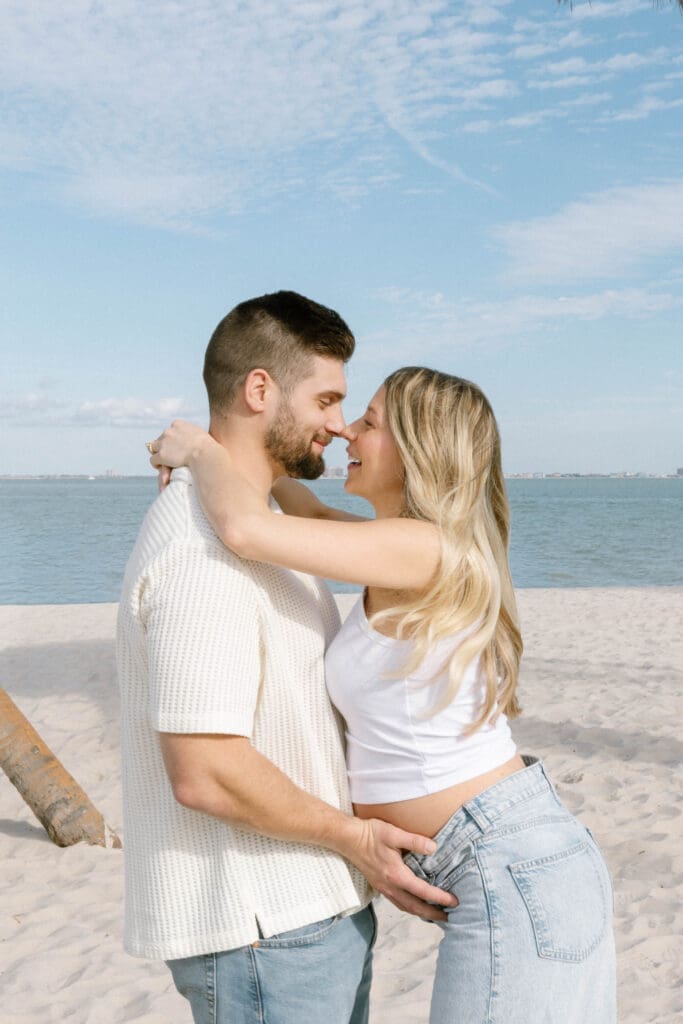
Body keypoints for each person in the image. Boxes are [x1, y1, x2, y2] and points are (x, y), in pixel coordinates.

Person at [150, 365, 617, 1024]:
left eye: (368, 422)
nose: (346, 429)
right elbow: (296, 505)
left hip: (506, 861)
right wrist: (250, 446)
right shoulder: (395, 546)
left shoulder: (422, 549)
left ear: (417, 450)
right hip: (497, 860)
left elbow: (247, 531)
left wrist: (199, 450)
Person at [117, 293, 455, 1024]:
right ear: (259, 390)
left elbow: (272, 511)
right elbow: (206, 772)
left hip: (307, 916)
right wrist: (354, 838)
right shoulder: (201, 550)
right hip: (263, 929)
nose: (339, 423)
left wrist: (206, 454)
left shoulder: (260, 523)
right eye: (328, 399)